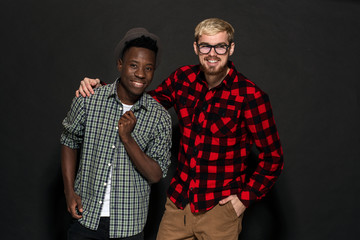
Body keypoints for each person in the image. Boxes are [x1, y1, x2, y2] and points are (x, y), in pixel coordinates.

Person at [77, 18, 284, 240]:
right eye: (205, 46)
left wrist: (244, 199)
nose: (212, 53)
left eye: (220, 46)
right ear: (196, 47)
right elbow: (145, 102)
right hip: (179, 204)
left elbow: (273, 158)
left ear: (231, 48)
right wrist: (104, 89)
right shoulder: (183, 79)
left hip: (220, 211)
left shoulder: (251, 96)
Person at [60, 28, 172, 240]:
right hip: (86, 218)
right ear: (120, 64)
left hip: (128, 226)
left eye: (148, 68)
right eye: (133, 65)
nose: (140, 74)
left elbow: (156, 174)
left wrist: (127, 139)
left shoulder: (159, 117)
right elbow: (68, 139)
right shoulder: (89, 99)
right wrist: (69, 192)